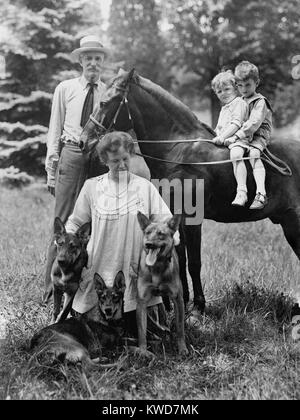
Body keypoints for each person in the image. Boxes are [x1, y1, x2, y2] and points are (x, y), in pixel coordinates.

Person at [65, 131, 179, 335]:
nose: (122, 165)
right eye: (115, 161)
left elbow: (164, 219)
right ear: (104, 161)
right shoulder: (92, 187)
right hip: (101, 262)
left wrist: (170, 240)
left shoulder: (144, 187)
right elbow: (75, 223)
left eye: (125, 159)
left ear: (131, 155)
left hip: (136, 268)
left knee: (146, 331)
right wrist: (67, 245)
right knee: (95, 334)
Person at [43, 35, 109, 302]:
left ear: (102, 62)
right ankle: (51, 285)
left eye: (97, 58)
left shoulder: (108, 92)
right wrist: (52, 168)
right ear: (81, 61)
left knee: (92, 221)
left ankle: (85, 285)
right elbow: (54, 128)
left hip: (97, 158)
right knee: (62, 219)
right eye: (88, 58)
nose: (93, 63)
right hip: (70, 153)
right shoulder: (66, 88)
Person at [232, 61, 273, 209]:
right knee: (235, 154)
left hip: (258, 134)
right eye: (240, 85)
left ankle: (261, 194)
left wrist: (236, 135)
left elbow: (254, 123)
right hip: (243, 136)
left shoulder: (260, 101)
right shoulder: (239, 101)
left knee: (254, 153)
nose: (243, 89)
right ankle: (241, 191)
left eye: (248, 85)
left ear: (257, 82)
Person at [211, 70, 250, 207]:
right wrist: (213, 136)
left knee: (236, 154)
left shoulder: (239, 103)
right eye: (219, 91)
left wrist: (222, 137)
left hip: (240, 138)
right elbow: (219, 128)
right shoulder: (224, 108)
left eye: (227, 89)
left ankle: (242, 191)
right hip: (226, 139)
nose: (224, 93)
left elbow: (236, 123)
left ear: (236, 88)